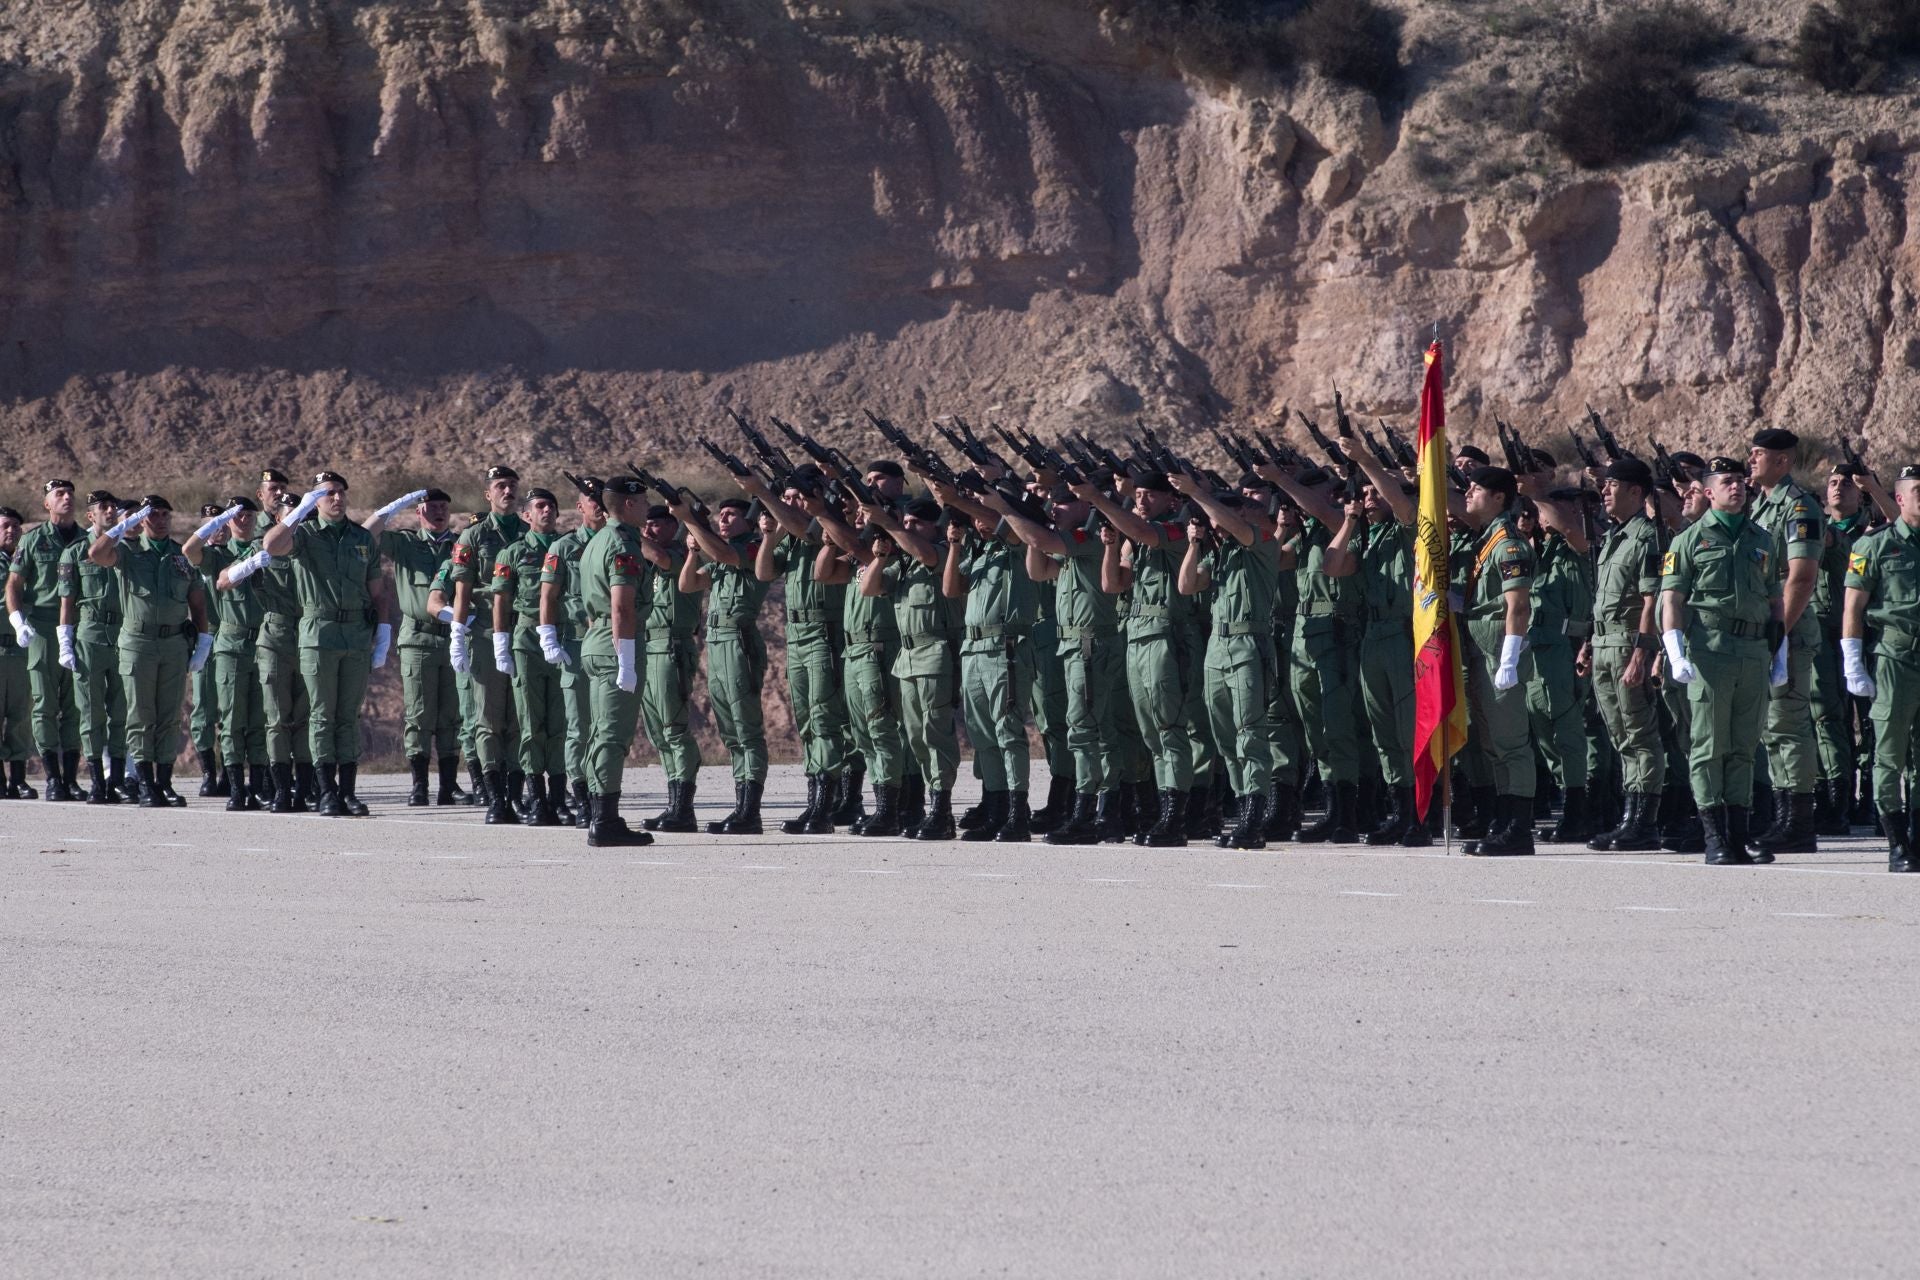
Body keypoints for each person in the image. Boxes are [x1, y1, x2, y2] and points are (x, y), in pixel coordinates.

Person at [1660, 456, 1783, 865]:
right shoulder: (1689, 541)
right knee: (1709, 745)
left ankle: (1739, 833)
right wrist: (1675, 652)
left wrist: (1778, 651)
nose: (1738, 487)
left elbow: (1774, 600)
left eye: (1740, 481)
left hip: (1753, 651)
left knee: (1745, 746)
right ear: (1708, 492)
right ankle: (1714, 836)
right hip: (1710, 651)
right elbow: (1672, 600)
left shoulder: (1762, 539)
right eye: (1727, 482)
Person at [258, 474, 395, 818]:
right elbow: (271, 546)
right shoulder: (302, 535)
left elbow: (377, 592)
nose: (336, 499)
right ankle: (326, 791)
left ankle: (347, 791)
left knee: (348, 715)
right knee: (321, 715)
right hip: (318, 633)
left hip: (356, 634)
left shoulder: (361, 538)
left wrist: (383, 632)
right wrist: (297, 511)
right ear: (315, 501)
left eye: (340, 493)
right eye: (328, 494)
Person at [1170, 477, 1280, 849]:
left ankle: (1254, 817)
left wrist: (1195, 493)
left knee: (1250, 731)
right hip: (1217, 646)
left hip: (1250, 643)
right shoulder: (1220, 553)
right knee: (1225, 736)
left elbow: (1236, 527)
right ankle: (1243, 804)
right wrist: (1195, 542)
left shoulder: (1263, 542)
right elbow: (1186, 586)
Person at [87, 496, 212, 807]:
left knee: (169, 716)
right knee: (141, 715)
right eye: (152, 514)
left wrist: (203, 642)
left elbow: (197, 603)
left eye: (165, 514)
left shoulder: (180, 555)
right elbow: (96, 553)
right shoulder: (128, 551)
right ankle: (143, 783)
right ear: (142, 519)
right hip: (138, 644)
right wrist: (123, 525)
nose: (160, 519)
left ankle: (164, 782)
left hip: (173, 644)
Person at [860, 497, 959, 839]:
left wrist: (891, 525)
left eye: (917, 523)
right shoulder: (903, 564)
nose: (910, 528)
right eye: (907, 522)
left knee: (936, 734)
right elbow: (869, 587)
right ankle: (933, 807)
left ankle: (942, 811)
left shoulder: (940, 554)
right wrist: (880, 556)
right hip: (908, 657)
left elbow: (928, 555)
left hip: (935, 654)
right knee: (915, 737)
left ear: (934, 527)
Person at [1746, 428, 1826, 854]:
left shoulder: (1798, 507)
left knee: (1788, 725)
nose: (1751, 459)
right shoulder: (1760, 506)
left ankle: (1798, 821)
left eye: (1759, 454)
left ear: (1782, 461)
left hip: (1787, 633)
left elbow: (1802, 576)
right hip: (1766, 629)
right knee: (1769, 727)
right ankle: (1781, 815)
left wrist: (1780, 634)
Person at [673, 495, 771, 835]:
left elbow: (726, 556)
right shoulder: (718, 550)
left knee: (746, 728)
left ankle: (750, 811)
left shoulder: (753, 547)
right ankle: (741, 806)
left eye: (732, 515)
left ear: (748, 520)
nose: (724, 519)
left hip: (739, 642)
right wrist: (692, 549)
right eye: (721, 515)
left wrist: (691, 522)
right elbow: (688, 583)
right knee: (730, 729)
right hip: (716, 643)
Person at [1584, 459, 1667, 850]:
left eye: (1612, 485)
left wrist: (1641, 652)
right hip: (1603, 645)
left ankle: (1643, 822)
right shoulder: (1615, 537)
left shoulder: (1647, 538)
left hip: (1626, 646)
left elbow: (1651, 601)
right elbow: (1602, 601)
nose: (1605, 491)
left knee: (1640, 734)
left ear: (1636, 492)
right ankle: (1629, 816)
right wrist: (1588, 642)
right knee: (1620, 735)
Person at [1840, 465, 1920, 871]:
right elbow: (1853, 607)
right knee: (1890, 751)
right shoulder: (1874, 546)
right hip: (1894, 658)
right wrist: (1852, 660)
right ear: (1900, 499)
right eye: (1917, 490)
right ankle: (1897, 842)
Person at [1459, 466, 1537, 856]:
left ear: (1500, 497)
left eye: (1477, 488)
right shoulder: (1485, 541)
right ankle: (1504, 821)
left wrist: (1508, 660)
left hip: (1498, 656)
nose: (1468, 492)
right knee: (1493, 746)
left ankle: (1519, 828)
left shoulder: (1508, 544)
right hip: (1481, 653)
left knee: (1511, 744)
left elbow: (1517, 606)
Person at [366, 487, 461, 806]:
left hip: (453, 637)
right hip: (417, 639)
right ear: (418, 512)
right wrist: (394, 506)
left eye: (443, 506)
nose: (438, 511)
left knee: (451, 715)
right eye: (431, 506)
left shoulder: (460, 544)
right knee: (420, 714)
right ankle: (419, 784)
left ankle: (449, 786)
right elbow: (367, 534)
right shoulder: (406, 542)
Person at [575, 475, 655, 847]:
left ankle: (599, 813)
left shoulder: (596, 541)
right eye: (641, 502)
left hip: (597, 640)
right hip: (616, 643)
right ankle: (604, 820)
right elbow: (622, 603)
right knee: (612, 736)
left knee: (599, 733)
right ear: (627, 504)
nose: (646, 507)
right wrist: (626, 658)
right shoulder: (622, 544)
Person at [449, 466, 528, 822]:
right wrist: (457, 634)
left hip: (523, 632)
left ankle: (517, 795)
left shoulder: (529, 535)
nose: (507, 491)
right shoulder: (473, 537)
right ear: (489, 495)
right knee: (488, 718)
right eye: (500, 486)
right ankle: (496, 798)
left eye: (512, 485)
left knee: (518, 719)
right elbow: (462, 591)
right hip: (483, 633)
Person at [185, 497, 270, 811]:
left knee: (260, 718)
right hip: (231, 643)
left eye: (249, 515)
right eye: (237, 515)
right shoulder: (219, 555)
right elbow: (190, 551)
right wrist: (216, 522)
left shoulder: (267, 550)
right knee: (231, 718)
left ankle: (258, 785)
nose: (243, 520)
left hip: (263, 643)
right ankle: (234, 786)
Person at [492, 488, 567, 826]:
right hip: (527, 638)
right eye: (540, 506)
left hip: (563, 636)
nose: (547, 510)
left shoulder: (568, 548)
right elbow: (501, 602)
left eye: (551, 505)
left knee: (561, 724)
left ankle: (558, 797)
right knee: (531, 723)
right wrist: (501, 643)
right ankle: (536, 797)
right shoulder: (512, 553)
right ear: (526, 515)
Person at [6, 478, 85, 799]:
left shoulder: (86, 539)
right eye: (59, 494)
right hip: (42, 628)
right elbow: (14, 583)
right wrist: (17, 620)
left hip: (78, 629)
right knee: (44, 704)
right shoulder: (34, 540)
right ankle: (53, 778)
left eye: (70, 494)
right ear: (47, 504)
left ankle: (71, 777)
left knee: (76, 705)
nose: (66, 498)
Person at [541, 475, 608, 828]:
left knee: (607, 727)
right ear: (579, 506)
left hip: (613, 643)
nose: (597, 503)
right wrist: (548, 637)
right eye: (589, 499)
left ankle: (603, 795)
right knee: (579, 728)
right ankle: (582, 797)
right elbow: (549, 597)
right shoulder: (564, 548)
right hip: (577, 644)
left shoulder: (621, 543)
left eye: (600, 497)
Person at [57, 492, 131, 804]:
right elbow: (67, 602)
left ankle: (117, 780)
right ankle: (97, 781)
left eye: (113, 506)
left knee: (121, 712)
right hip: (89, 635)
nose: (111, 511)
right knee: (89, 712)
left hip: (123, 635)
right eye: (103, 507)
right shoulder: (75, 552)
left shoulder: (126, 550)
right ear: (91, 516)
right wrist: (65, 641)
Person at [634, 503, 703, 832]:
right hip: (648, 644)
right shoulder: (647, 561)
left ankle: (684, 806)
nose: (649, 529)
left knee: (674, 727)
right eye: (645, 525)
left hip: (672, 645)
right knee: (657, 731)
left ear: (673, 527)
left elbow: (663, 560)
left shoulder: (679, 553)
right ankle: (674, 800)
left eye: (656, 524)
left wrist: (630, 531)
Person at [252, 472, 315, 812]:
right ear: (278, 518)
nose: (296, 521)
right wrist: (246, 568)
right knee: (277, 717)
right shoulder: (261, 545)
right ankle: (279, 790)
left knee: (304, 716)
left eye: (301, 515)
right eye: (289, 515)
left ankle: (304, 789)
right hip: (275, 636)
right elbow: (223, 579)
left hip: (307, 634)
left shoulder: (313, 550)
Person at [0, 508, 34, 796]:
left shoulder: (26, 562)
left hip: (21, 649)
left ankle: (18, 778)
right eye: (5, 526)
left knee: (20, 716)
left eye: (15, 527)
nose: (11, 531)